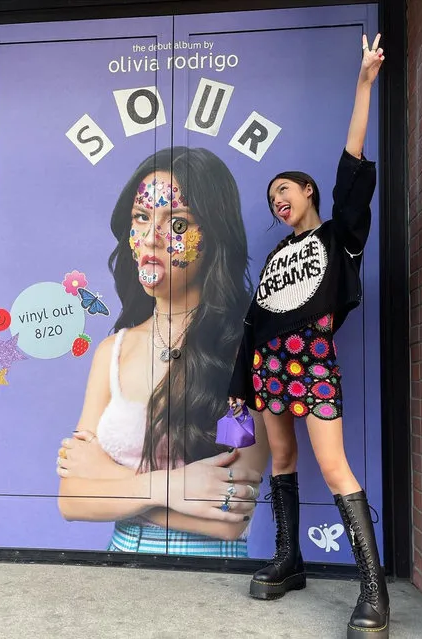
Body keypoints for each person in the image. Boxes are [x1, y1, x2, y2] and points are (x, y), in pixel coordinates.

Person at [228, 34, 389, 637]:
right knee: (284, 460)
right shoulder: (276, 257)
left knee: (335, 466)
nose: (278, 201)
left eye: (285, 192)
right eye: (272, 198)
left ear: (309, 193)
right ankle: (290, 559)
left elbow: (352, 169)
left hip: (313, 362)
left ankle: (373, 592)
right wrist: (239, 385)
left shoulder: (338, 238)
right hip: (270, 367)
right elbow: (254, 322)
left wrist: (365, 84)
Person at [56, 146, 269, 557]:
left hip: (209, 573)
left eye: (176, 223)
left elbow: (230, 517)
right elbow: (70, 498)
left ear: (214, 237)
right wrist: (167, 487)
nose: (151, 237)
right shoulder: (111, 353)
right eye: (141, 217)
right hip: (119, 566)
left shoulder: (240, 349)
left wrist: (108, 480)